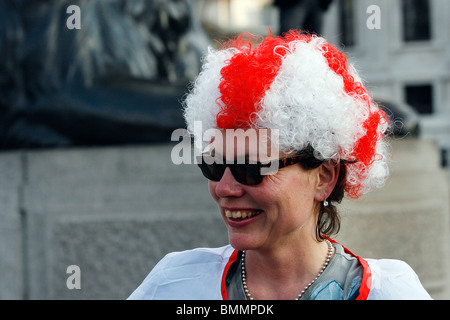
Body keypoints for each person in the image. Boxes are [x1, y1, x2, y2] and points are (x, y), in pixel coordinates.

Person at [128, 30, 431, 300]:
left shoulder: (387, 291)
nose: (225, 187)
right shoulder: (174, 284)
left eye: (252, 167)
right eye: (214, 165)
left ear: (324, 177)